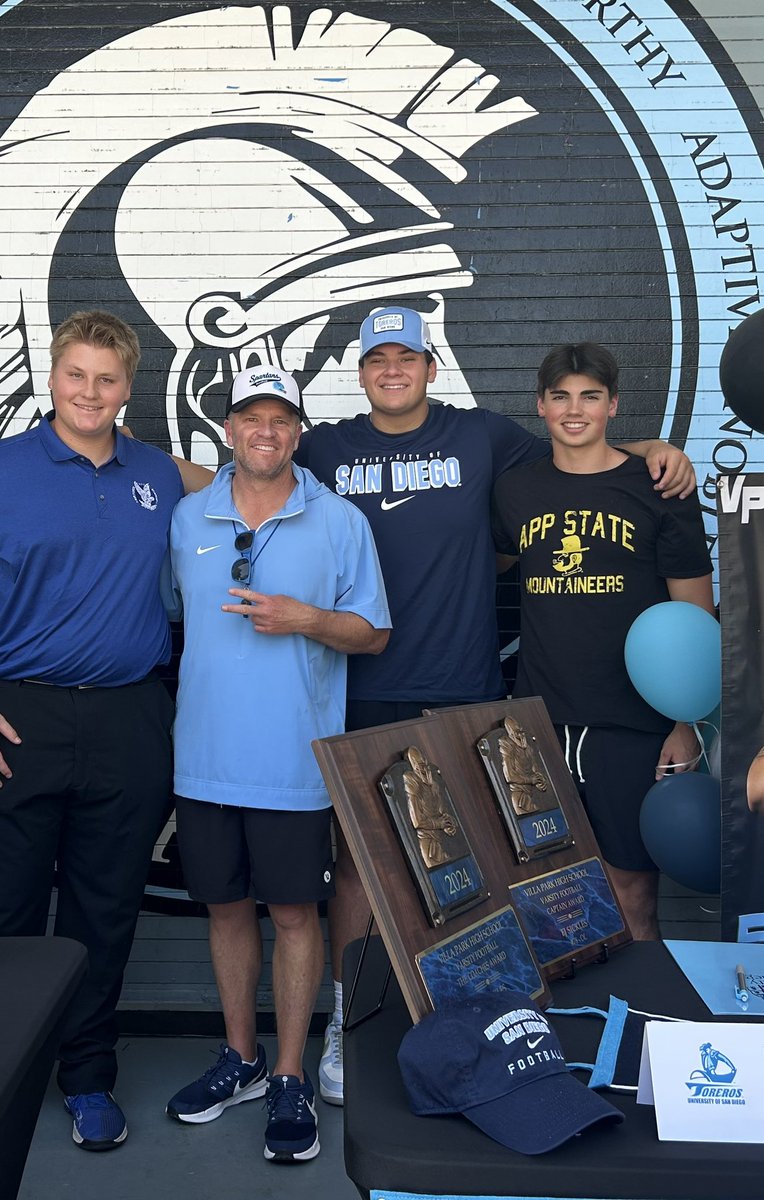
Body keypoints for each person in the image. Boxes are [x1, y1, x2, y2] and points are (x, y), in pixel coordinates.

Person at [293, 305, 697, 1103]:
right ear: (362, 369)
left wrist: (656, 450)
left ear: (430, 367)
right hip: (360, 688)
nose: (392, 370)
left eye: (406, 357)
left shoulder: (483, 440)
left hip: (472, 694)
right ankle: (351, 1023)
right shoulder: (326, 447)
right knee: (359, 876)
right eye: (378, 360)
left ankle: (490, 1030)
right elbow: (247, 466)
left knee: (474, 880)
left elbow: (592, 455)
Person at [0, 310, 183, 1153]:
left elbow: (235, 482)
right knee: (1, 913)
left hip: (127, 716)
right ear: (52, 377)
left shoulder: (159, 473)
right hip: (12, 713)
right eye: (76, 375)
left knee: (103, 910)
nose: (90, 392)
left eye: (107, 379)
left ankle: (87, 1078)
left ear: (129, 387)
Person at [164, 366, 390, 1163]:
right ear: (227, 428)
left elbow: (374, 634)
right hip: (201, 763)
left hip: (294, 765)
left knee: (295, 916)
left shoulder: (339, 520)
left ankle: (291, 1072)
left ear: (299, 430)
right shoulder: (189, 514)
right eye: (252, 417)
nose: (267, 431)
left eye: (282, 419)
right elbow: (166, 616)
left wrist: (309, 619)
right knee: (226, 912)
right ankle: (242, 1060)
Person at [492, 341, 713, 939]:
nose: (574, 410)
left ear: (613, 406)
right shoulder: (514, 492)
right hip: (536, 722)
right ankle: (559, 1032)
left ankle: (638, 1026)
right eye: (560, 396)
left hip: (633, 724)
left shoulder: (658, 488)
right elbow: (482, 566)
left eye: (590, 396)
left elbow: (695, 615)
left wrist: (684, 723)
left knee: (631, 891)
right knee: (544, 898)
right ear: (539, 405)